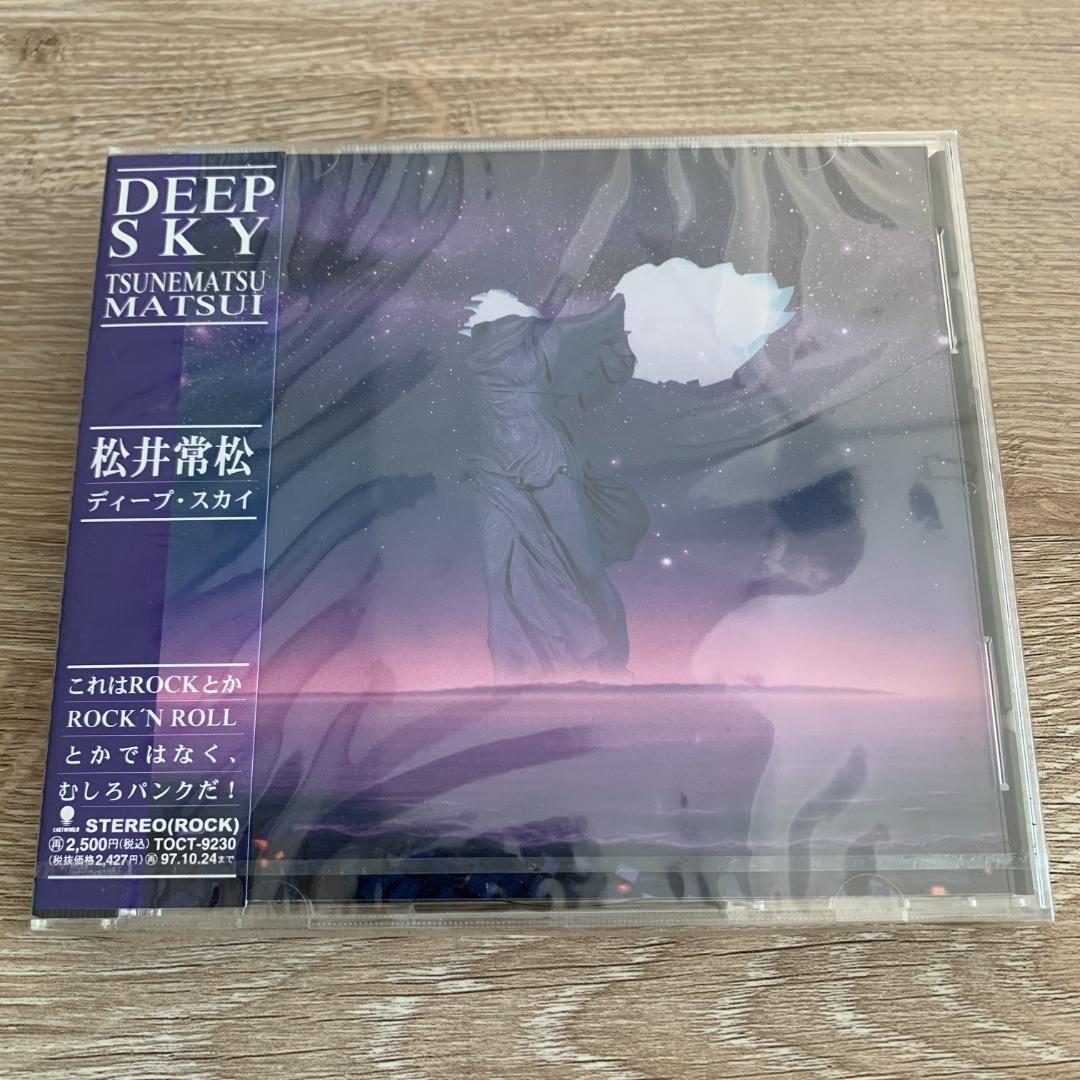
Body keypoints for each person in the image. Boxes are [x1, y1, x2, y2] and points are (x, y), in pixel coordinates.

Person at [463, 291, 648, 682]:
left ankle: (609, 660)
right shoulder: (485, 343)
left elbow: (601, 316)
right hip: (493, 469)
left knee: (585, 566)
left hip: (545, 460)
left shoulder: (538, 338)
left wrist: (584, 297)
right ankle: (514, 669)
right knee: (498, 574)